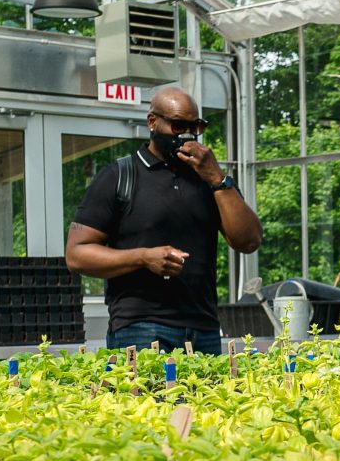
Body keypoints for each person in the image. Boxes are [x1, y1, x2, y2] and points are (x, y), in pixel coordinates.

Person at [65, 86, 260, 355]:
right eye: (179, 125)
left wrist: (217, 178)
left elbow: (248, 241)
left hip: (203, 327)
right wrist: (143, 257)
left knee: (206, 399)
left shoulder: (210, 180)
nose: (189, 135)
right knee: (148, 398)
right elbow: (77, 254)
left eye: (197, 126)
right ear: (153, 122)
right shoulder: (119, 176)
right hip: (140, 326)